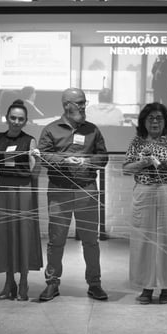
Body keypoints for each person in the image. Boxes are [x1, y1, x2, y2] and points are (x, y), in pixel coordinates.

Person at [36, 88, 109, 302]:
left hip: (87, 189)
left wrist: (89, 161)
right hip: (59, 191)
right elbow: (43, 156)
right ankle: (52, 283)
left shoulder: (93, 130)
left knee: (91, 241)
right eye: (79, 102)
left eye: (84, 102)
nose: (84, 106)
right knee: (56, 240)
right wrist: (64, 160)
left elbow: (103, 157)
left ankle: (94, 284)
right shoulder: (51, 129)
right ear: (67, 105)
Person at [123, 102, 167, 304]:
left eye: (159, 118)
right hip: (144, 192)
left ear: (165, 121)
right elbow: (126, 168)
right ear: (144, 122)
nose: (155, 122)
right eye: (150, 118)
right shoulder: (137, 142)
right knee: (144, 240)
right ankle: (147, 287)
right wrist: (143, 162)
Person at [0, 100, 43, 301]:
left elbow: (35, 174)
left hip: (22, 191)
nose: (16, 122)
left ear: (25, 121)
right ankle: (9, 282)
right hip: (1, 191)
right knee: (4, 235)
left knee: (23, 234)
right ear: (7, 118)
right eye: (13, 118)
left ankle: (24, 281)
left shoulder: (29, 141)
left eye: (20, 119)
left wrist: (38, 160)